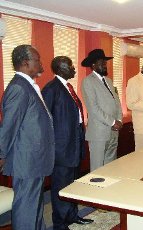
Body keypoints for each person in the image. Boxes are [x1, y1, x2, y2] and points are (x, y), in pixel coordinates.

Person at [0, 45, 55, 230]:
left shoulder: (28, 86)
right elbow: (8, 126)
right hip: (27, 160)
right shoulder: (19, 88)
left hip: (35, 158)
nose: (40, 64)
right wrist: (1, 154)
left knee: (35, 206)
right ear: (25, 63)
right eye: (37, 60)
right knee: (26, 208)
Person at [42, 56, 93, 230]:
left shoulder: (68, 87)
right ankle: (60, 223)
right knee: (60, 188)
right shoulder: (51, 89)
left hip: (74, 146)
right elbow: (44, 122)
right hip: (61, 150)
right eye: (70, 66)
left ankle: (72, 216)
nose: (74, 69)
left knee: (72, 185)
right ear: (60, 68)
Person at [81, 49, 123, 171]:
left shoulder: (109, 81)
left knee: (111, 166)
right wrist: (112, 122)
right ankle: (96, 190)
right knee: (97, 167)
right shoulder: (88, 82)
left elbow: (117, 103)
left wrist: (119, 120)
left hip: (114, 131)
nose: (105, 65)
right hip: (99, 132)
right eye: (102, 63)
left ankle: (108, 189)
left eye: (105, 62)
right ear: (93, 65)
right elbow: (93, 108)